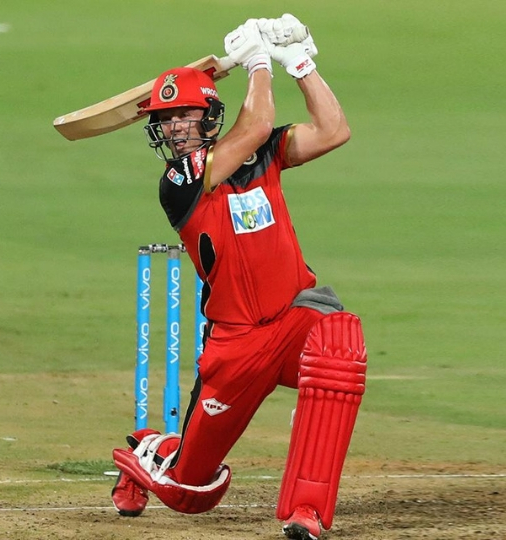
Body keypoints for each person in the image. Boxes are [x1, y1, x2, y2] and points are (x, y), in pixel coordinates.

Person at [111, 14, 367, 540]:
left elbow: (333, 130)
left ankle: (306, 511)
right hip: (236, 344)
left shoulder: (263, 154)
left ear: (209, 116)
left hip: (294, 315)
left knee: (339, 347)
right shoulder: (179, 180)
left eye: (183, 115)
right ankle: (151, 452)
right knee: (191, 492)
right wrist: (256, 62)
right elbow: (253, 129)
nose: (174, 128)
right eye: (166, 120)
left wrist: (299, 62)